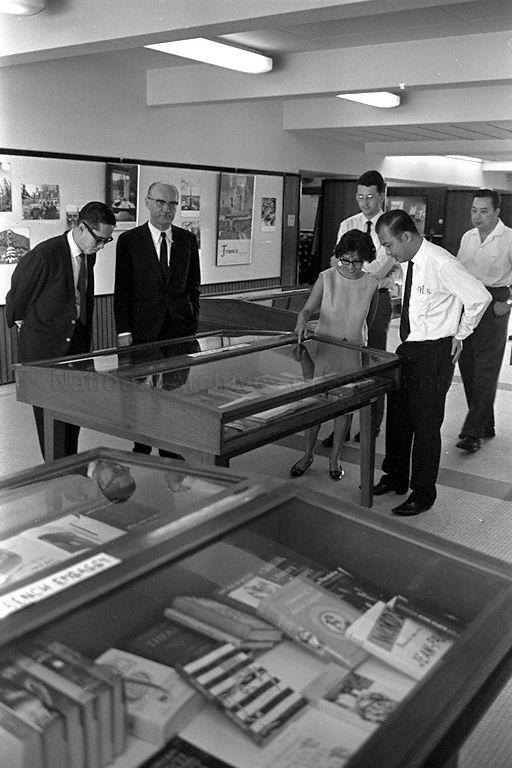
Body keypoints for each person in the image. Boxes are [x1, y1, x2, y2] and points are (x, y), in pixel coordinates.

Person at [373, 210, 491, 516]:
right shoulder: (410, 261)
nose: (387, 251)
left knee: (425, 425)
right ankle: (395, 476)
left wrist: (461, 334)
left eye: (388, 245)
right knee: (399, 419)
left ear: (406, 236)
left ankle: (423, 492)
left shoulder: (441, 262)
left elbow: (479, 297)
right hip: (408, 349)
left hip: (434, 352)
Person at [5, 201, 116, 459]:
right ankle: (56, 475)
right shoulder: (45, 255)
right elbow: (16, 301)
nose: (101, 246)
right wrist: (35, 331)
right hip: (45, 354)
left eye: (107, 241)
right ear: (81, 227)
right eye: (99, 240)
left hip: (76, 348)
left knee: (73, 417)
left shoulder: (89, 254)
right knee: (51, 425)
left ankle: (71, 471)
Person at [114, 181, 201, 459]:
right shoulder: (130, 241)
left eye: (173, 204)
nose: (167, 209)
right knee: (140, 392)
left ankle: (169, 445)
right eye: (161, 203)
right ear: (148, 202)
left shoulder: (187, 240)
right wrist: (123, 331)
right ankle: (142, 442)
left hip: (179, 329)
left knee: (174, 390)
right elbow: (122, 289)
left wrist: (192, 320)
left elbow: (194, 285)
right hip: (143, 329)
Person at [291, 229, 378, 481]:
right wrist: (301, 321)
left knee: (344, 408)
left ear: (366, 259)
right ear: (339, 256)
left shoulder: (371, 283)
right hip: (325, 350)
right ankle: (307, 455)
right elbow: (307, 310)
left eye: (357, 261)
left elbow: (369, 320)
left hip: (353, 351)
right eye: (345, 260)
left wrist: (359, 342)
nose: (350, 266)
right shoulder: (327, 277)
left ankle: (334, 459)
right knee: (315, 405)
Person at [324, 170, 401, 446]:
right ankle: (341, 426)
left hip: (377, 298)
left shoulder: (391, 226)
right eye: (360, 197)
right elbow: (336, 260)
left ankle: (371, 423)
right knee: (344, 362)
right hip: (347, 298)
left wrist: (351, 268)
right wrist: (351, 268)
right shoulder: (348, 224)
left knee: (372, 361)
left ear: (381, 196)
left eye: (370, 197)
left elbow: (380, 267)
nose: (364, 202)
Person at [455, 189, 512, 453]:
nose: (477, 216)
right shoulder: (468, 237)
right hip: (469, 304)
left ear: (497, 212)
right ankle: (485, 424)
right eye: (474, 210)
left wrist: (508, 304)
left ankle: (472, 433)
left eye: (484, 211)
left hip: (495, 304)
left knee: (485, 370)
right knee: (468, 367)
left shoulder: (509, 237)